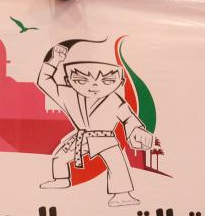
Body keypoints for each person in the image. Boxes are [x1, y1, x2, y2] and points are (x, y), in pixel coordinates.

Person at [36, 39, 154, 207]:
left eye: (106, 81)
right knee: (60, 157)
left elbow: (128, 118)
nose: (94, 86)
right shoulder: (69, 96)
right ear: (68, 80)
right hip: (81, 138)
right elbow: (44, 81)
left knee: (117, 164)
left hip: (105, 139)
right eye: (82, 80)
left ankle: (122, 195)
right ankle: (61, 179)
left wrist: (136, 130)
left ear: (120, 82)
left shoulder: (114, 100)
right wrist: (55, 61)